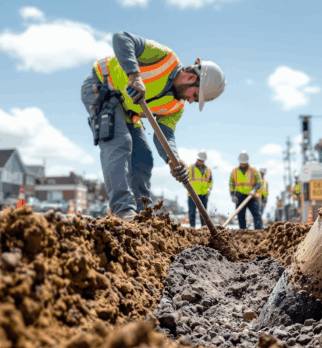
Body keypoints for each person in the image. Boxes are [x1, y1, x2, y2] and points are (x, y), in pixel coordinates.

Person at [81, 32, 226, 221]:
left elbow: (164, 136)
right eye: (195, 95)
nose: (191, 101)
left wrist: (173, 160)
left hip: (128, 111)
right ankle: (123, 210)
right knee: (120, 143)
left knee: (143, 157)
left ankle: (143, 214)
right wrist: (134, 76)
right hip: (102, 86)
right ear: (191, 78)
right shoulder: (164, 57)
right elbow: (121, 38)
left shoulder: (176, 106)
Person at [229, 151, 263, 230]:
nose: (243, 164)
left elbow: (259, 182)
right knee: (241, 216)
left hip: (252, 196)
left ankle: (259, 232)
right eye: (241, 163)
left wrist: (254, 190)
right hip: (240, 196)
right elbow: (231, 184)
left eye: (244, 163)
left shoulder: (253, 170)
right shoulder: (234, 171)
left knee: (257, 214)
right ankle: (243, 232)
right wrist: (232, 195)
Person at [188, 151, 213, 228]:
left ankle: (204, 228)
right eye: (199, 160)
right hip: (192, 194)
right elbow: (185, 180)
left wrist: (209, 189)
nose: (200, 162)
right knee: (192, 212)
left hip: (204, 194)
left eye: (202, 161)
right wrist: (189, 189)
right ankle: (192, 228)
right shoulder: (191, 168)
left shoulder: (208, 169)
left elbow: (210, 181)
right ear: (197, 159)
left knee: (203, 214)